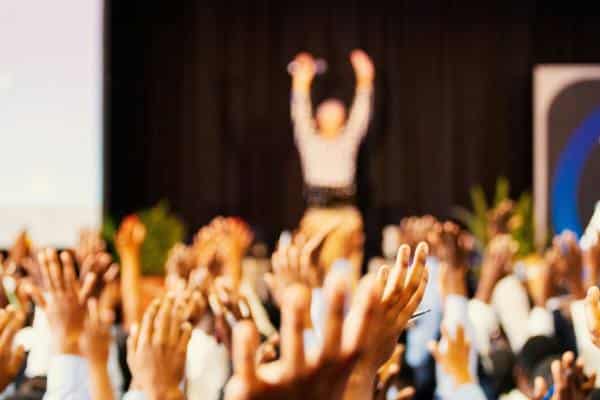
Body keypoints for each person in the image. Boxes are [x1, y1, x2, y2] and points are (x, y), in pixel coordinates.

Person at [289, 49, 374, 281]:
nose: (332, 113)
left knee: (347, 278)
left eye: (338, 111)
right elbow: (300, 111)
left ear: (344, 118)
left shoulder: (348, 140)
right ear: (317, 119)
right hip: (317, 214)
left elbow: (361, 114)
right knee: (316, 275)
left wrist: (365, 79)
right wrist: (301, 82)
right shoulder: (310, 141)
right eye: (326, 111)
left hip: (346, 216)